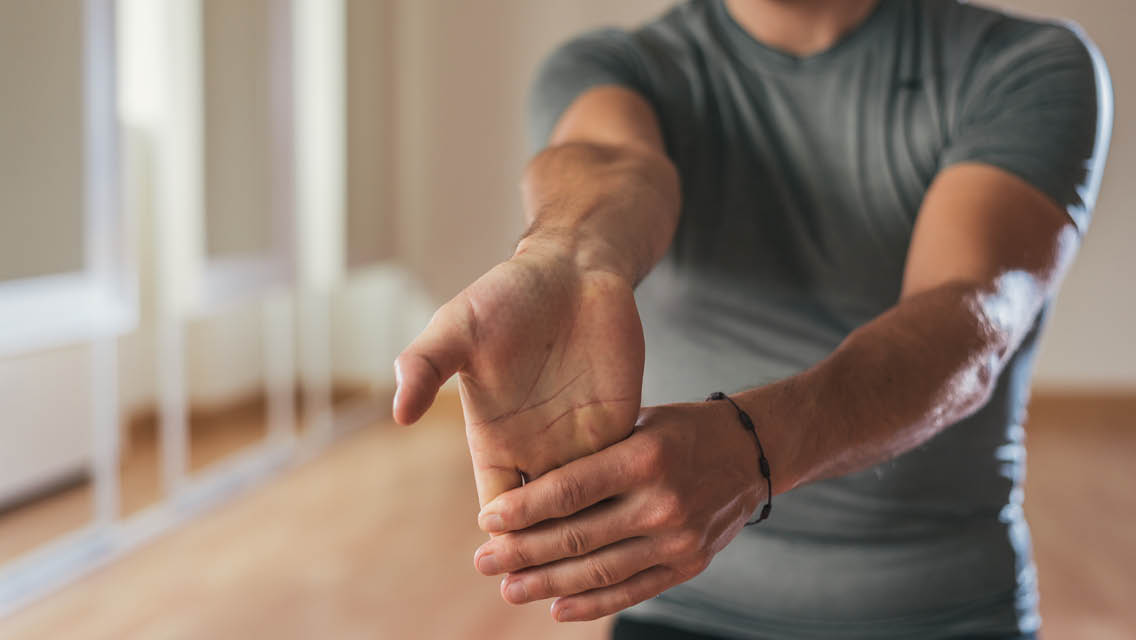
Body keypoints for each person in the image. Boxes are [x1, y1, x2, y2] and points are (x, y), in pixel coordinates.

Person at [392, 0, 1112, 638]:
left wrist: (754, 453)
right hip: (675, 611)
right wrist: (563, 257)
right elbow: (611, 163)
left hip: (943, 612)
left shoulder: (1027, 65)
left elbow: (968, 315)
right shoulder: (614, 68)